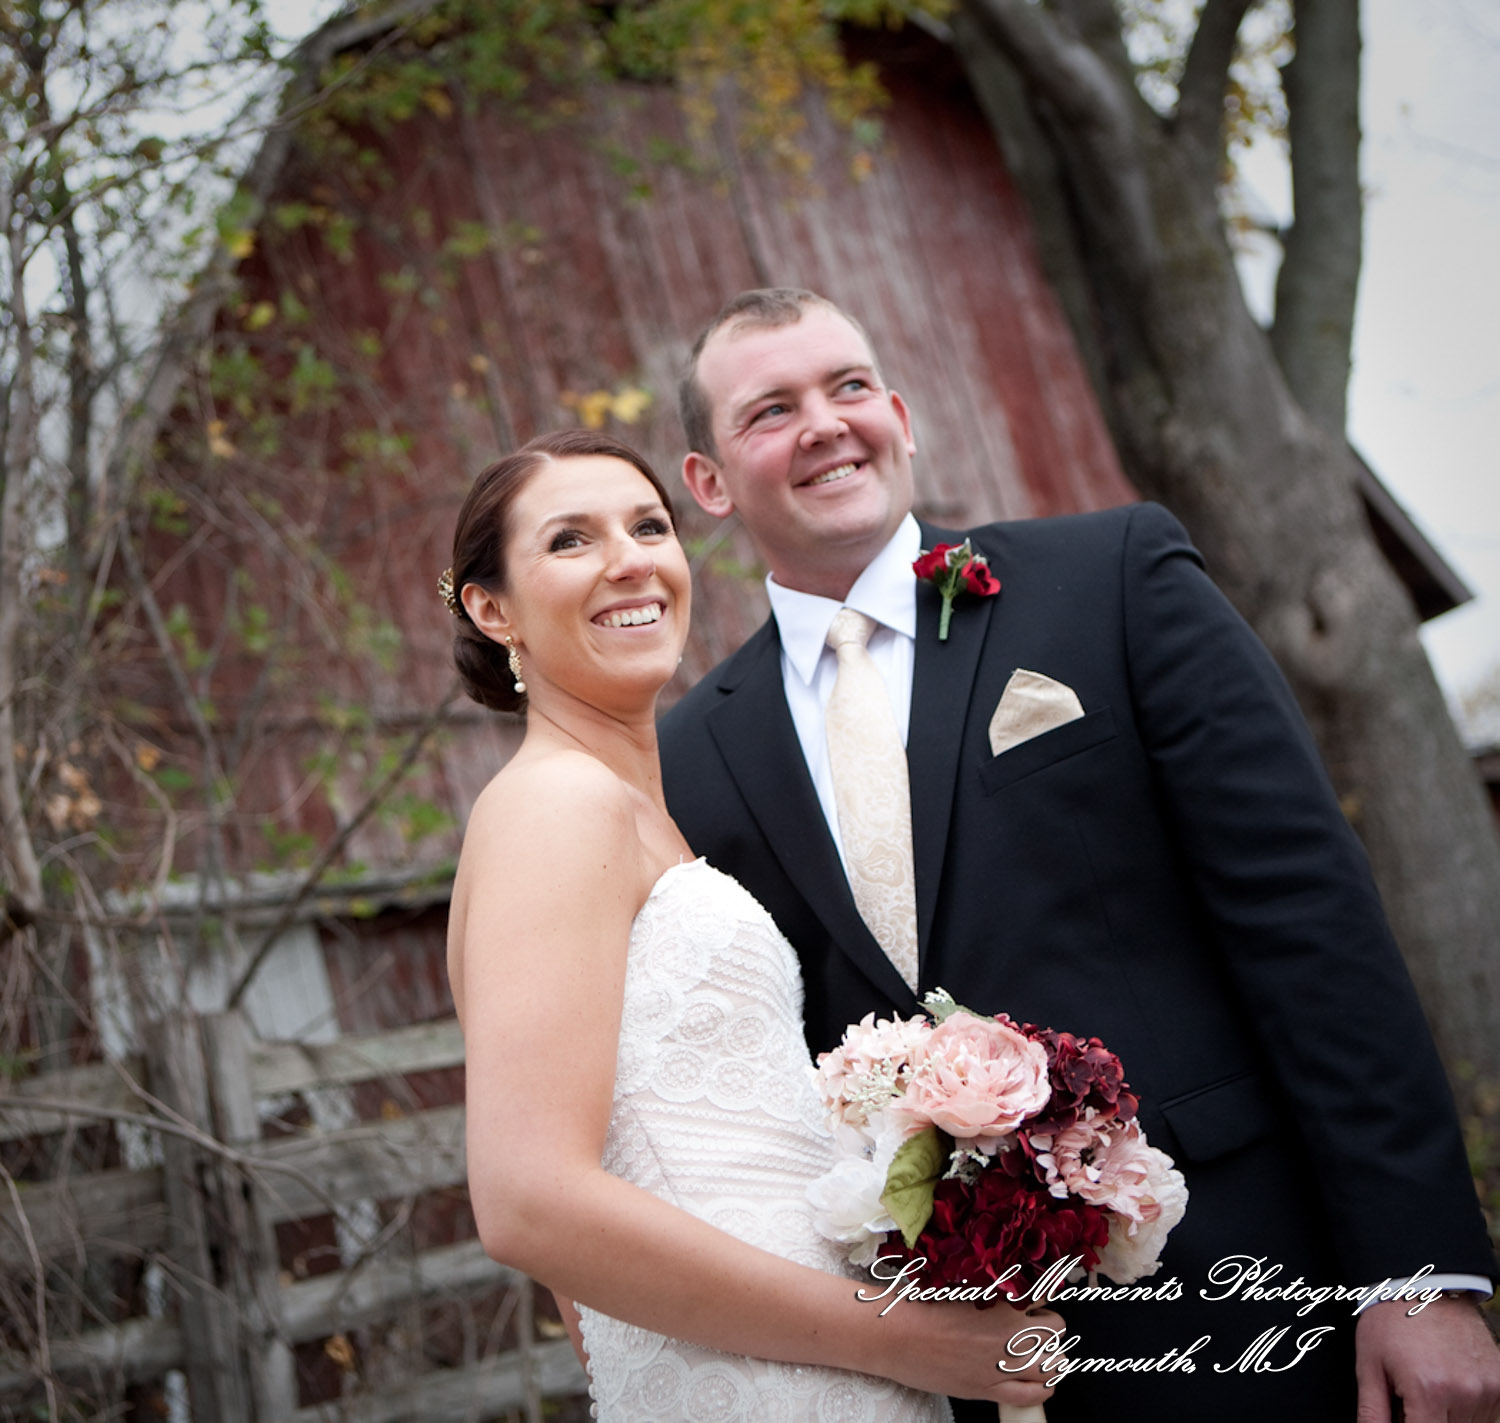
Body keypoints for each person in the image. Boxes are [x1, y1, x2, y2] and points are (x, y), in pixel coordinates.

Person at [657, 288, 1500, 1422]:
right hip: (949, 1365)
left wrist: (1421, 1269)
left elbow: (1310, 921)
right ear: (709, 480)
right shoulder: (695, 749)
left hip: (1246, 1298)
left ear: (901, 416)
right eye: (771, 409)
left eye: (849, 387)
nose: (825, 423)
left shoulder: (1111, 579)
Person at [443, 428, 1064, 1421]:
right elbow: (527, 1202)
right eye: (570, 540)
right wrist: (901, 1334)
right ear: (491, 607)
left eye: (648, 525)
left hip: (776, 1357)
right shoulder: (554, 807)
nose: (629, 558)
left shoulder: (639, 814)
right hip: (793, 1365)